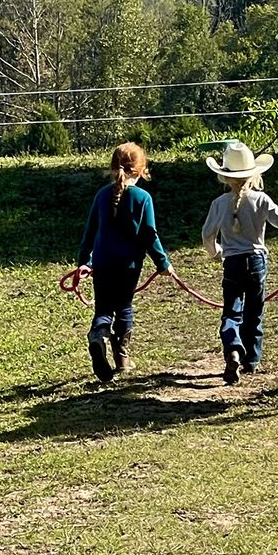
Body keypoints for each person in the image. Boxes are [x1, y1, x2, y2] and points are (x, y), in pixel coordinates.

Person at [77, 142, 173, 382]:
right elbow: (149, 235)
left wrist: (84, 262)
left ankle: (98, 335)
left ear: (112, 168)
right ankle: (121, 356)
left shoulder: (102, 195)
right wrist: (163, 263)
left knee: (103, 308)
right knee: (124, 307)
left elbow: (90, 232)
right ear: (141, 170)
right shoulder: (142, 198)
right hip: (128, 266)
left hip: (102, 263)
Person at [202, 140, 278, 385]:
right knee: (255, 311)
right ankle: (251, 359)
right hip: (256, 262)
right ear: (253, 174)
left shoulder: (218, 204)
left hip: (232, 263)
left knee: (232, 311)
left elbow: (207, 235)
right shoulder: (260, 199)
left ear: (225, 177)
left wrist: (216, 252)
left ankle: (232, 347)